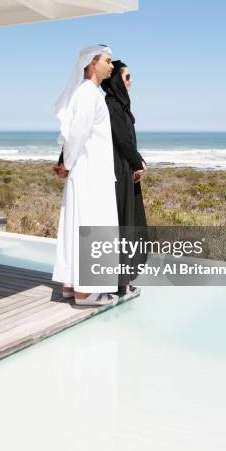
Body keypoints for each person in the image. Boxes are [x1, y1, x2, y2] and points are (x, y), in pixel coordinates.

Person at [51, 44, 119, 307]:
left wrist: (67, 162)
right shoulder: (88, 93)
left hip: (88, 170)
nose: (111, 66)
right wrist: (67, 163)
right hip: (91, 173)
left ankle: (71, 284)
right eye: (107, 60)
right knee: (92, 226)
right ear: (92, 63)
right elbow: (76, 133)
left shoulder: (87, 93)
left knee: (78, 224)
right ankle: (87, 291)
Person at [100, 60, 148, 295]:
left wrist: (137, 162)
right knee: (123, 224)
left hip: (124, 171)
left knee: (128, 223)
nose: (131, 81)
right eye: (127, 77)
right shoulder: (112, 106)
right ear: (117, 80)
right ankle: (121, 283)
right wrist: (137, 161)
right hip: (119, 173)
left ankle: (123, 281)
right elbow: (122, 141)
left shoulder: (118, 105)